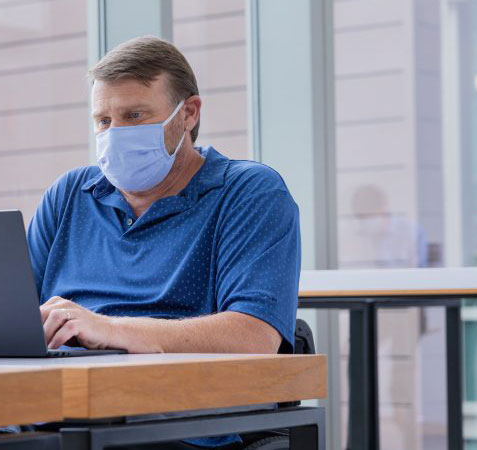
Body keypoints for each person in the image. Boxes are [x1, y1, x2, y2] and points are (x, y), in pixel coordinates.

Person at [25, 36, 301, 448]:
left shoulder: (249, 193)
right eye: (103, 121)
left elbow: (254, 337)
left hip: (172, 424)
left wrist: (113, 329)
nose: (115, 134)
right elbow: (15, 315)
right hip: (50, 410)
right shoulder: (69, 195)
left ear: (188, 113)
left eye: (134, 115)